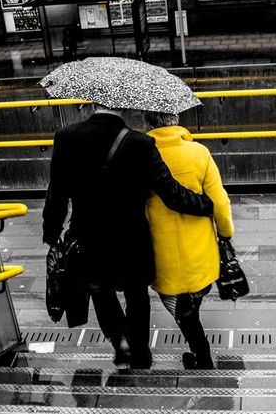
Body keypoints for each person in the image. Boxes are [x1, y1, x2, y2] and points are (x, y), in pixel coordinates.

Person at [43, 104, 215, 369]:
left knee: (101, 291)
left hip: (88, 238)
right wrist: (206, 205)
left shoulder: (66, 136)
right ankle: (140, 353)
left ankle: (119, 341)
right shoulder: (140, 143)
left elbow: (57, 193)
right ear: (124, 108)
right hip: (132, 239)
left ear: (93, 104)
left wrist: (52, 233)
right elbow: (170, 193)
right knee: (137, 296)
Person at [144, 111, 234, 370]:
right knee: (190, 305)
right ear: (176, 119)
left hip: (161, 254)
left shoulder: (140, 155)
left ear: (148, 121)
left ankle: (201, 354)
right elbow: (220, 202)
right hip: (200, 252)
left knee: (181, 308)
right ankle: (201, 353)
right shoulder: (199, 153)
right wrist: (225, 234)